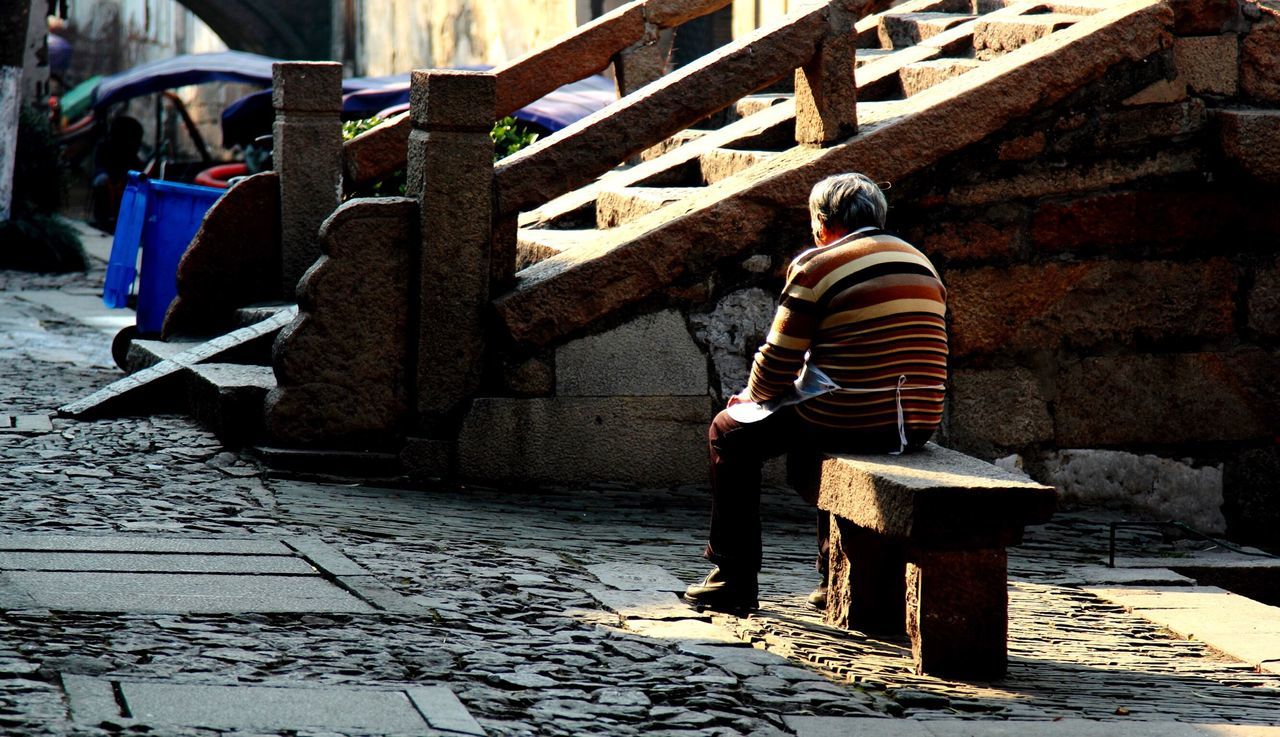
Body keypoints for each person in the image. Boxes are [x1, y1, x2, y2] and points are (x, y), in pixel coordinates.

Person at [683, 172, 948, 613]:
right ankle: (831, 575)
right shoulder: (920, 261)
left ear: (822, 223)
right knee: (823, 423)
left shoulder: (818, 265)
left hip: (850, 414)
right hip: (916, 420)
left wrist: (753, 396)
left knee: (728, 432)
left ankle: (732, 575)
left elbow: (778, 360)